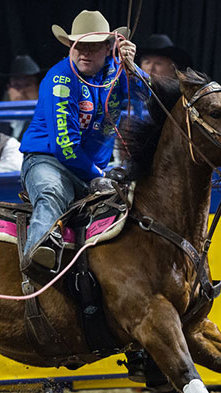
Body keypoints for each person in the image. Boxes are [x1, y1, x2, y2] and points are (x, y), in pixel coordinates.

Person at [18, 9, 150, 268]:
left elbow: (147, 95)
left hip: (96, 170)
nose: (84, 52)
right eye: (79, 45)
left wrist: (132, 68)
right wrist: (96, 176)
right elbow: (64, 146)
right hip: (48, 161)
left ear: (109, 48)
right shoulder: (61, 79)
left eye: (92, 46)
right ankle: (36, 255)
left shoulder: (117, 72)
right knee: (52, 193)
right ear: (70, 47)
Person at [0, 55, 42, 140]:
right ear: (9, 89)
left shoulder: (49, 120)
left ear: (38, 88)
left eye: (27, 84)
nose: (22, 90)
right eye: (16, 85)